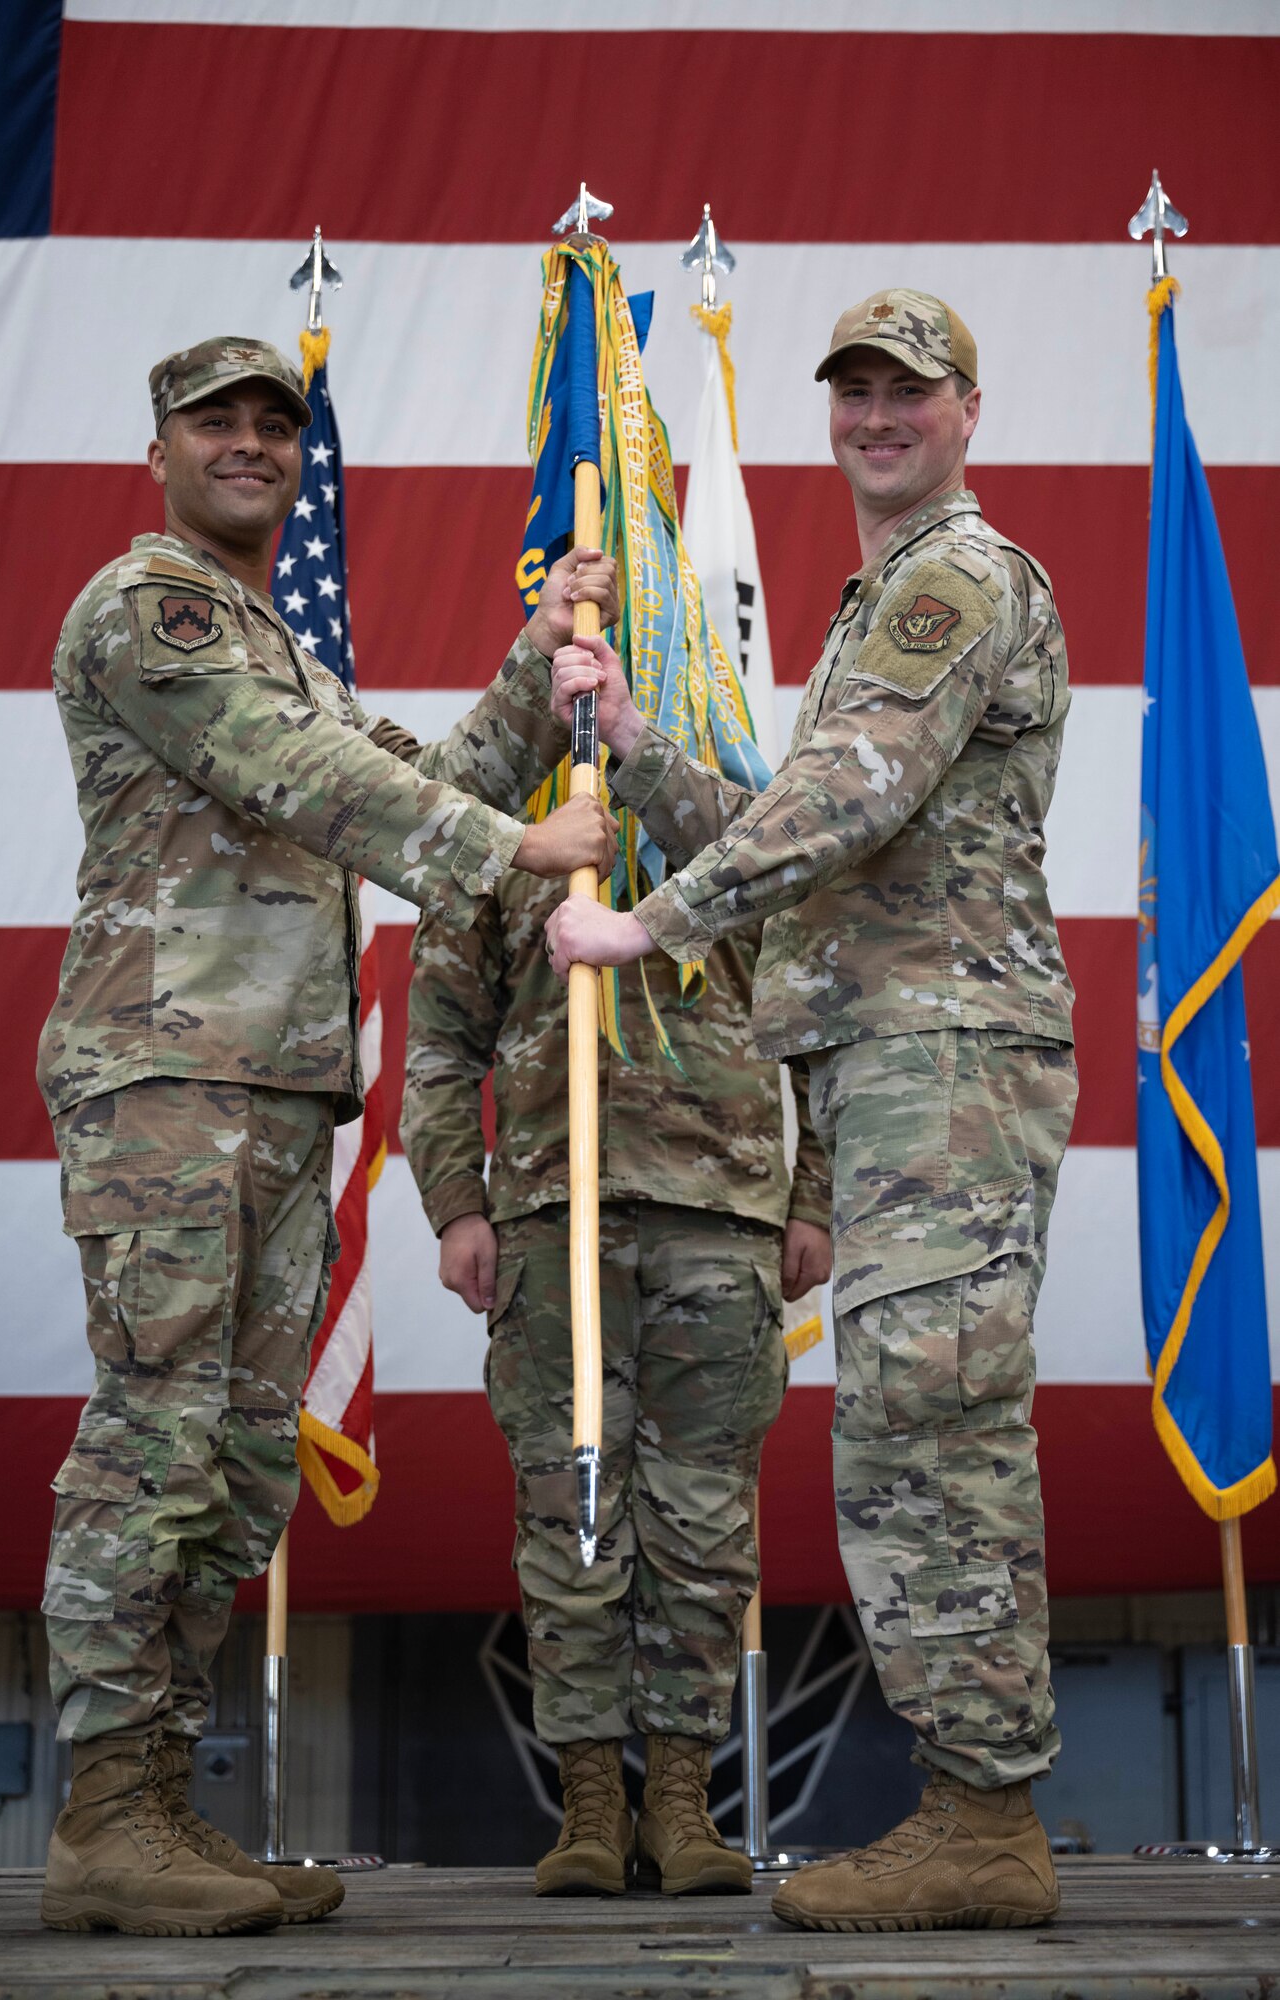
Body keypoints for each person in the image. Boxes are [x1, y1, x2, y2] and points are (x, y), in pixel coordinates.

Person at [36, 335, 619, 1938]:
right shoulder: (150, 612)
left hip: (276, 1089)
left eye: (270, 427)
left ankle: (152, 1799)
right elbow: (315, 786)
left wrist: (535, 650)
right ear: (159, 447)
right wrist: (525, 851)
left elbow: (405, 769)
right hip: (169, 1080)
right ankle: (101, 1811)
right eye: (214, 422)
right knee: (153, 1439)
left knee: (231, 1456)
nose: (248, 446)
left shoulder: (273, 639)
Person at [544, 290, 1077, 1931]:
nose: (873, 416)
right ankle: (968, 1805)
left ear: (966, 412)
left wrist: (644, 922)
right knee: (907, 1425)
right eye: (850, 390)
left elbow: (847, 798)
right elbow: (816, 818)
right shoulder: (879, 600)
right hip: (891, 1063)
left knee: (933, 1426)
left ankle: (982, 1820)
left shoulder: (955, 579)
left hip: (944, 1059)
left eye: (905, 391)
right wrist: (634, 754)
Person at [401, 843, 831, 1896]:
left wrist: (813, 1194)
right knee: (569, 1507)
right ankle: (590, 1796)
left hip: (722, 1211)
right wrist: (458, 1200)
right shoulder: (511, 837)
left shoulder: (738, 812)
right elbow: (442, 1040)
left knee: (704, 1519)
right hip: (554, 1215)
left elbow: (820, 1011)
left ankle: (681, 1795)